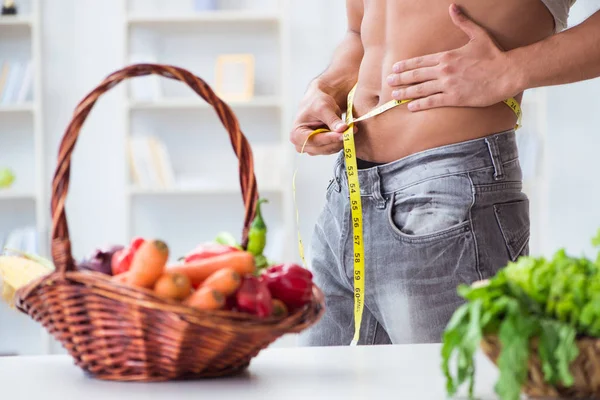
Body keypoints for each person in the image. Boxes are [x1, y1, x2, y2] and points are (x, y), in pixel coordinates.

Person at [291, 1, 599, 346]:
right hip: (345, 194)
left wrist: (513, 70)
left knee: (451, 388)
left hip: (450, 193)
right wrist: (326, 87)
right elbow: (359, 32)